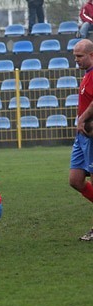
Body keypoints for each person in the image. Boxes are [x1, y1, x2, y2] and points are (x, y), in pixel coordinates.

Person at [70, 39, 93, 240]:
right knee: (76, 180)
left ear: (91, 55)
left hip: (89, 132)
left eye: (80, 56)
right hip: (83, 135)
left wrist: (83, 119)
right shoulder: (87, 74)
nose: (76, 60)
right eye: (75, 56)